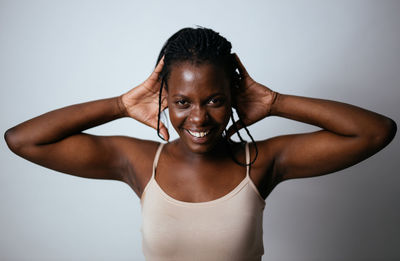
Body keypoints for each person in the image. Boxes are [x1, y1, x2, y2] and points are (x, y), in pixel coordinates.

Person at [4, 26, 397, 260]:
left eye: (214, 100)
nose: (198, 118)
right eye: (182, 102)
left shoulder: (260, 162)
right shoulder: (140, 162)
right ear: (164, 99)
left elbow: (375, 131)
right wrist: (120, 105)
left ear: (234, 98)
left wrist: (275, 102)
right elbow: (23, 140)